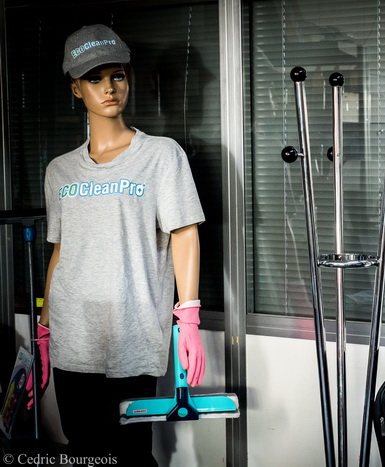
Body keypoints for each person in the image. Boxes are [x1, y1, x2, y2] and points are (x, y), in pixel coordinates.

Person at [33, 24, 206, 464]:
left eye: (117, 75)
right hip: (73, 334)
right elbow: (61, 251)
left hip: (134, 332)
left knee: (131, 452)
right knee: (83, 449)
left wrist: (188, 316)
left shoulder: (161, 155)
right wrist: (44, 329)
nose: (109, 88)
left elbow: (184, 231)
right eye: (94, 78)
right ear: (76, 88)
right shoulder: (60, 170)